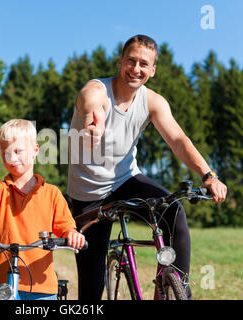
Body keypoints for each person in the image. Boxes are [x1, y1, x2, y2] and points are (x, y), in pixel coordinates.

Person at [67, 34, 227, 300]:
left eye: (144, 64)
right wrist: (91, 123)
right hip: (88, 192)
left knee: (174, 212)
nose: (136, 69)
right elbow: (90, 102)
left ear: (152, 70)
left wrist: (208, 175)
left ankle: (172, 291)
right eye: (131, 61)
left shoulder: (153, 101)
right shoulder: (96, 90)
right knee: (91, 289)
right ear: (120, 61)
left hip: (126, 180)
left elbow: (178, 140)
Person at [0, 119, 85, 300]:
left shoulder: (52, 194)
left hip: (42, 286)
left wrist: (72, 234)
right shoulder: (3, 189)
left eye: (18, 151)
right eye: (5, 153)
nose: (12, 158)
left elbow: (65, 225)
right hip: (5, 283)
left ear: (35, 151)